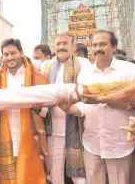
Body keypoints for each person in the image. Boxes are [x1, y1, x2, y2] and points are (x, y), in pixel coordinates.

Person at [57, 30, 135, 184]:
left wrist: (123, 102)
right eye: (95, 45)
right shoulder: (85, 73)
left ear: (114, 47)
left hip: (119, 142)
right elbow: (84, 107)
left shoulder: (129, 70)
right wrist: (68, 109)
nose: (98, 48)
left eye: (103, 44)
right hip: (92, 141)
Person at [0, 38, 51, 184]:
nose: (9, 57)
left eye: (13, 53)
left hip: (30, 135)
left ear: (21, 53)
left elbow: (46, 110)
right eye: (6, 54)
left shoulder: (36, 77)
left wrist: (39, 108)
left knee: (29, 175)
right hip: (5, 135)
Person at [43, 32, 91, 184]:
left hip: (76, 125)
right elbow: (42, 91)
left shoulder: (83, 63)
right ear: (53, 47)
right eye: (58, 44)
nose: (61, 47)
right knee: (55, 170)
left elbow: (84, 90)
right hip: (53, 127)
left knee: (80, 174)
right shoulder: (46, 65)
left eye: (65, 43)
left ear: (73, 46)